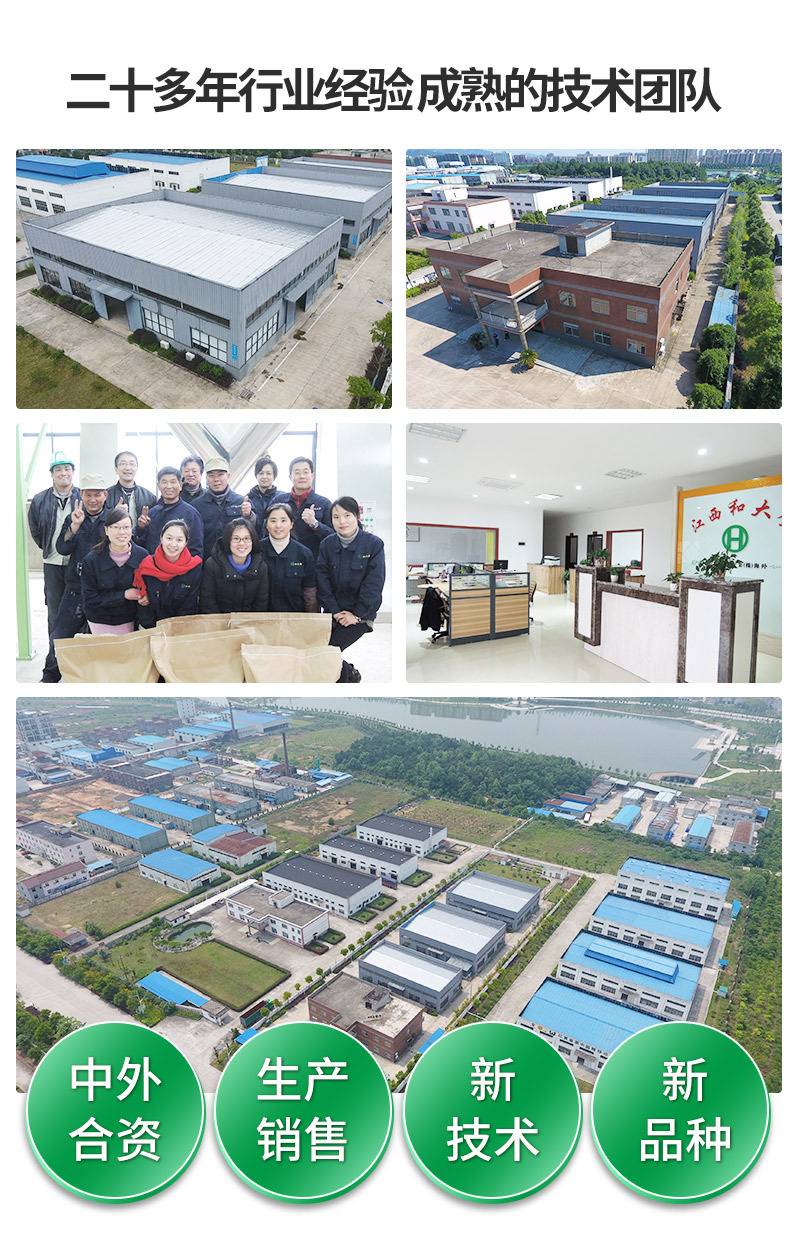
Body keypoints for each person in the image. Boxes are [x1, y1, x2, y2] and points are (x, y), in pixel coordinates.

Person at [40, 474, 108, 682]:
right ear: (81, 495)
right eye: (88, 495)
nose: (93, 499)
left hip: (103, 589)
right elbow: (62, 548)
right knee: (60, 634)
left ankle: (99, 678)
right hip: (75, 588)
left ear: (105, 495)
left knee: (103, 639)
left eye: (97, 494)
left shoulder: (113, 518)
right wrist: (74, 527)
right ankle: (50, 675)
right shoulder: (74, 517)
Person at [315, 497, 386, 683]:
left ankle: (349, 677)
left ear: (357, 516)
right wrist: (335, 611)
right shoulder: (327, 544)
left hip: (360, 615)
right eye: (336, 517)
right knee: (319, 650)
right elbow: (322, 581)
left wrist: (356, 614)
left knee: (328, 650)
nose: (342, 521)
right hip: (333, 612)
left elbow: (374, 584)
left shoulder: (373, 544)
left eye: (347, 515)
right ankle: (348, 673)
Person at [27, 451, 80, 638]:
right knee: (54, 609)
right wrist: (47, 547)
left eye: (67, 468)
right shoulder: (40, 499)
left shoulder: (82, 497)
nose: (63, 473)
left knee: (78, 609)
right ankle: (54, 650)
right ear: (52, 474)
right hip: (52, 562)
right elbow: (35, 528)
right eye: (58, 469)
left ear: (73, 472)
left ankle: (75, 649)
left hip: (76, 562)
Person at [80, 507, 148, 634]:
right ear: (106, 530)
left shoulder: (143, 556)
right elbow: (90, 599)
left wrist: (146, 597)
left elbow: (150, 588)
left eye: (126, 527)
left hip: (132, 618)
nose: (121, 532)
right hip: (100, 618)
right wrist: (124, 595)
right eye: (116, 527)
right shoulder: (92, 560)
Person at [134, 520, 203, 627]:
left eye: (179, 540)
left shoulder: (194, 567)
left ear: (186, 542)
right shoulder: (147, 566)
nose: (173, 544)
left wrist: (176, 629)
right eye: (169, 538)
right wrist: (153, 628)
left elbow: (190, 605)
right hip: (152, 628)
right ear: (161, 538)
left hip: (181, 627)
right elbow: (143, 603)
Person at [200, 518, 269, 614]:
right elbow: (208, 602)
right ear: (228, 540)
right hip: (219, 620)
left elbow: (261, 603)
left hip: (249, 621)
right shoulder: (212, 565)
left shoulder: (261, 566)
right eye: (236, 539)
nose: (242, 543)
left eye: (246, 538)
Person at [260, 503, 318, 613]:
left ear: (291, 524)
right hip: (261, 618)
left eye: (283, 520)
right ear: (266, 524)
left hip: (295, 617)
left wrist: (311, 619)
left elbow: (310, 594)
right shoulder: (257, 550)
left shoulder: (304, 553)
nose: (278, 525)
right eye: (273, 521)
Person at [134, 466, 204, 556]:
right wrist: (141, 528)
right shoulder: (152, 513)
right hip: (154, 563)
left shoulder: (191, 514)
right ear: (158, 486)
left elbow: (196, 550)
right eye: (164, 482)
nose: (169, 486)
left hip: (180, 564)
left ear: (180, 485)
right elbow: (141, 544)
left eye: (173, 482)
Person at [192, 457, 254, 558]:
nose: (216, 479)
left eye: (220, 474)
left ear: (228, 476)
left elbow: (254, 532)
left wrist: (249, 516)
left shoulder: (242, 501)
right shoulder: (196, 505)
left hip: (235, 560)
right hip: (207, 560)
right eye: (211, 475)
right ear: (206, 478)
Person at [273, 455, 332, 558]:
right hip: (283, 558)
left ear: (312, 475)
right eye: (297, 472)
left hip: (314, 560)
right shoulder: (279, 501)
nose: (302, 476)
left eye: (305, 472)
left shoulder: (324, 503)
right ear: (290, 477)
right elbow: (267, 529)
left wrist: (315, 523)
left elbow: (333, 536)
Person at [105, 451, 156, 523]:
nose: (128, 468)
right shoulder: (106, 496)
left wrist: (143, 526)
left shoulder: (150, 497)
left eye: (132, 464)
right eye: (123, 464)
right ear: (116, 469)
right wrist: (114, 514)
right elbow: (100, 523)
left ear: (137, 468)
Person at [247, 455, 280, 530]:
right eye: (261, 473)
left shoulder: (282, 498)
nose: (264, 477)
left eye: (268, 473)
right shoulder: (248, 499)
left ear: (274, 476)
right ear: (256, 475)